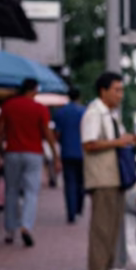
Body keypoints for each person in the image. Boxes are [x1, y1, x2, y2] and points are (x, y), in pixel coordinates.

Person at [80, 71, 136, 270]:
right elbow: (89, 143)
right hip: (102, 176)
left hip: (115, 175)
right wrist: (118, 142)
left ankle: (112, 264)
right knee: (102, 224)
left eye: (122, 90)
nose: (120, 95)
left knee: (115, 223)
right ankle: (96, 267)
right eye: (117, 90)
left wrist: (129, 140)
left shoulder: (111, 114)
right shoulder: (94, 113)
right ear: (103, 91)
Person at [0, 77, 59, 247]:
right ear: (34, 90)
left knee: (11, 192)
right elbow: (47, 133)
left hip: (12, 153)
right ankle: (26, 226)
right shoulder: (40, 108)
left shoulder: (8, 106)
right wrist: (55, 156)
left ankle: (9, 230)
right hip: (33, 154)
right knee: (31, 192)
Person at [51, 87, 87, 223]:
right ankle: (78, 208)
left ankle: (71, 213)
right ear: (79, 97)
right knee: (81, 182)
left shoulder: (61, 113)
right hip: (83, 152)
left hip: (67, 152)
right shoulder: (84, 112)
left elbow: (57, 134)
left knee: (70, 183)